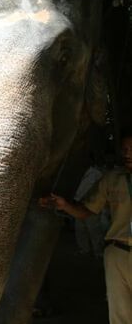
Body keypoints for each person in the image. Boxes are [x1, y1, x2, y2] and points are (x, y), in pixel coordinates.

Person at [40, 132, 132, 324]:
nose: (127, 154)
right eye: (124, 150)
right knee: (120, 314)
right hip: (118, 254)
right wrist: (64, 205)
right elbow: (85, 211)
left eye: (131, 150)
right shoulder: (112, 179)